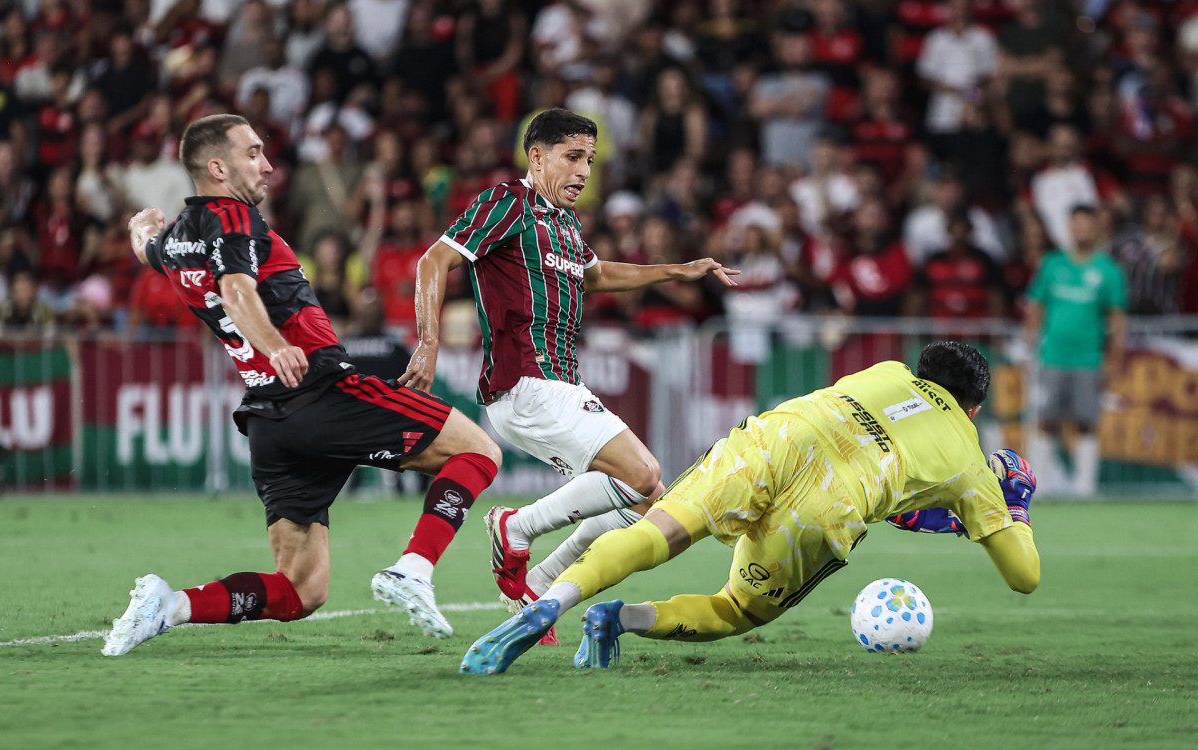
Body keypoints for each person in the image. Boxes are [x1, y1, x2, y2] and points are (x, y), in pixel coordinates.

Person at [103, 114, 503, 657]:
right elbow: (237, 290)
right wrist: (276, 345)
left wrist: (140, 227)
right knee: (478, 452)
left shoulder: (175, 240)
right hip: (322, 391)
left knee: (301, 590)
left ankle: (170, 606)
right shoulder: (232, 216)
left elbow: (146, 248)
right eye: (253, 153)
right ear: (217, 168)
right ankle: (414, 567)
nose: (267, 165)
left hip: (272, 423)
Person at [459, 341, 1041, 674]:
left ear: (920, 372)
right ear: (974, 409)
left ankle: (551, 601)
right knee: (736, 608)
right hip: (829, 502)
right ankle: (621, 618)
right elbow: (1024, 577)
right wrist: (1013, 506)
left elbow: (890, 460)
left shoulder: (885, 372)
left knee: (661, 532)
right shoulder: (969, 460)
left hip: (773, 441)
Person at [402, 108, 737, 643]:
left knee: (649, 505)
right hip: (525, 384)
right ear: (537, 158)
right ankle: (515, 526)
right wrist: (428, 342)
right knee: (643, 473)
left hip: (561, 385)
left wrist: (677, 269)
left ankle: (538, 582)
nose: (584, 171)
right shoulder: (507, 202)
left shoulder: (565, 223)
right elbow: (433, 260)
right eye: (573, 157)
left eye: (590, 160)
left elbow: (596, 275)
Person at [1023, 204, 1127, 497]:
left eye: (1087, 224)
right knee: (1046, 422)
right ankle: (1039, 487)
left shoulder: (1108, 270)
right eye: (1077, 224)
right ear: (1069, 228)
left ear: (1096, 228)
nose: (1082, 230)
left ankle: (1085, 489)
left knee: (1087, 422)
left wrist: (1114, 361)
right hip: (1051, 357)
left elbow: (1117, 320)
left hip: (1089, 360)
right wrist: (1027, 349)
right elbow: (1036, 307)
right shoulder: (1052, 264)